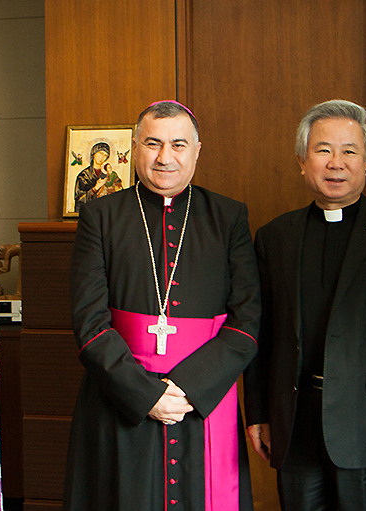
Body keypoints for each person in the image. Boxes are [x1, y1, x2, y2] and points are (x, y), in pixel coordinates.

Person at [63, 100, 261, 510]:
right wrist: (145, 395)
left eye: (178, 145)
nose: (165, 157)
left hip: (202, 398)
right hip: (121, 397)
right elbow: (90, 321)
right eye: (153, 144)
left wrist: (188, 388)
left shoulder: (228, 217)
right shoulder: (101, 215)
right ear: (134, 147)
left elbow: (247, 319)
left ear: (197, 150)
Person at [244, 99, 366, 510]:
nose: (337, 163)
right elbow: (261, 333)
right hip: (294, 425)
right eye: (323, 150)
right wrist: (257, 413)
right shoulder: (275, 236)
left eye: (349, 151)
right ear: (302, 160)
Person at [73, 142, 121, 212]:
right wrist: (95, 188)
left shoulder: (110, 174)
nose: (102, 157)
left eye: (105, 155)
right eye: (100, 153)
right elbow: (79, 200)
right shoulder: (84, 175)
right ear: (93, 153)